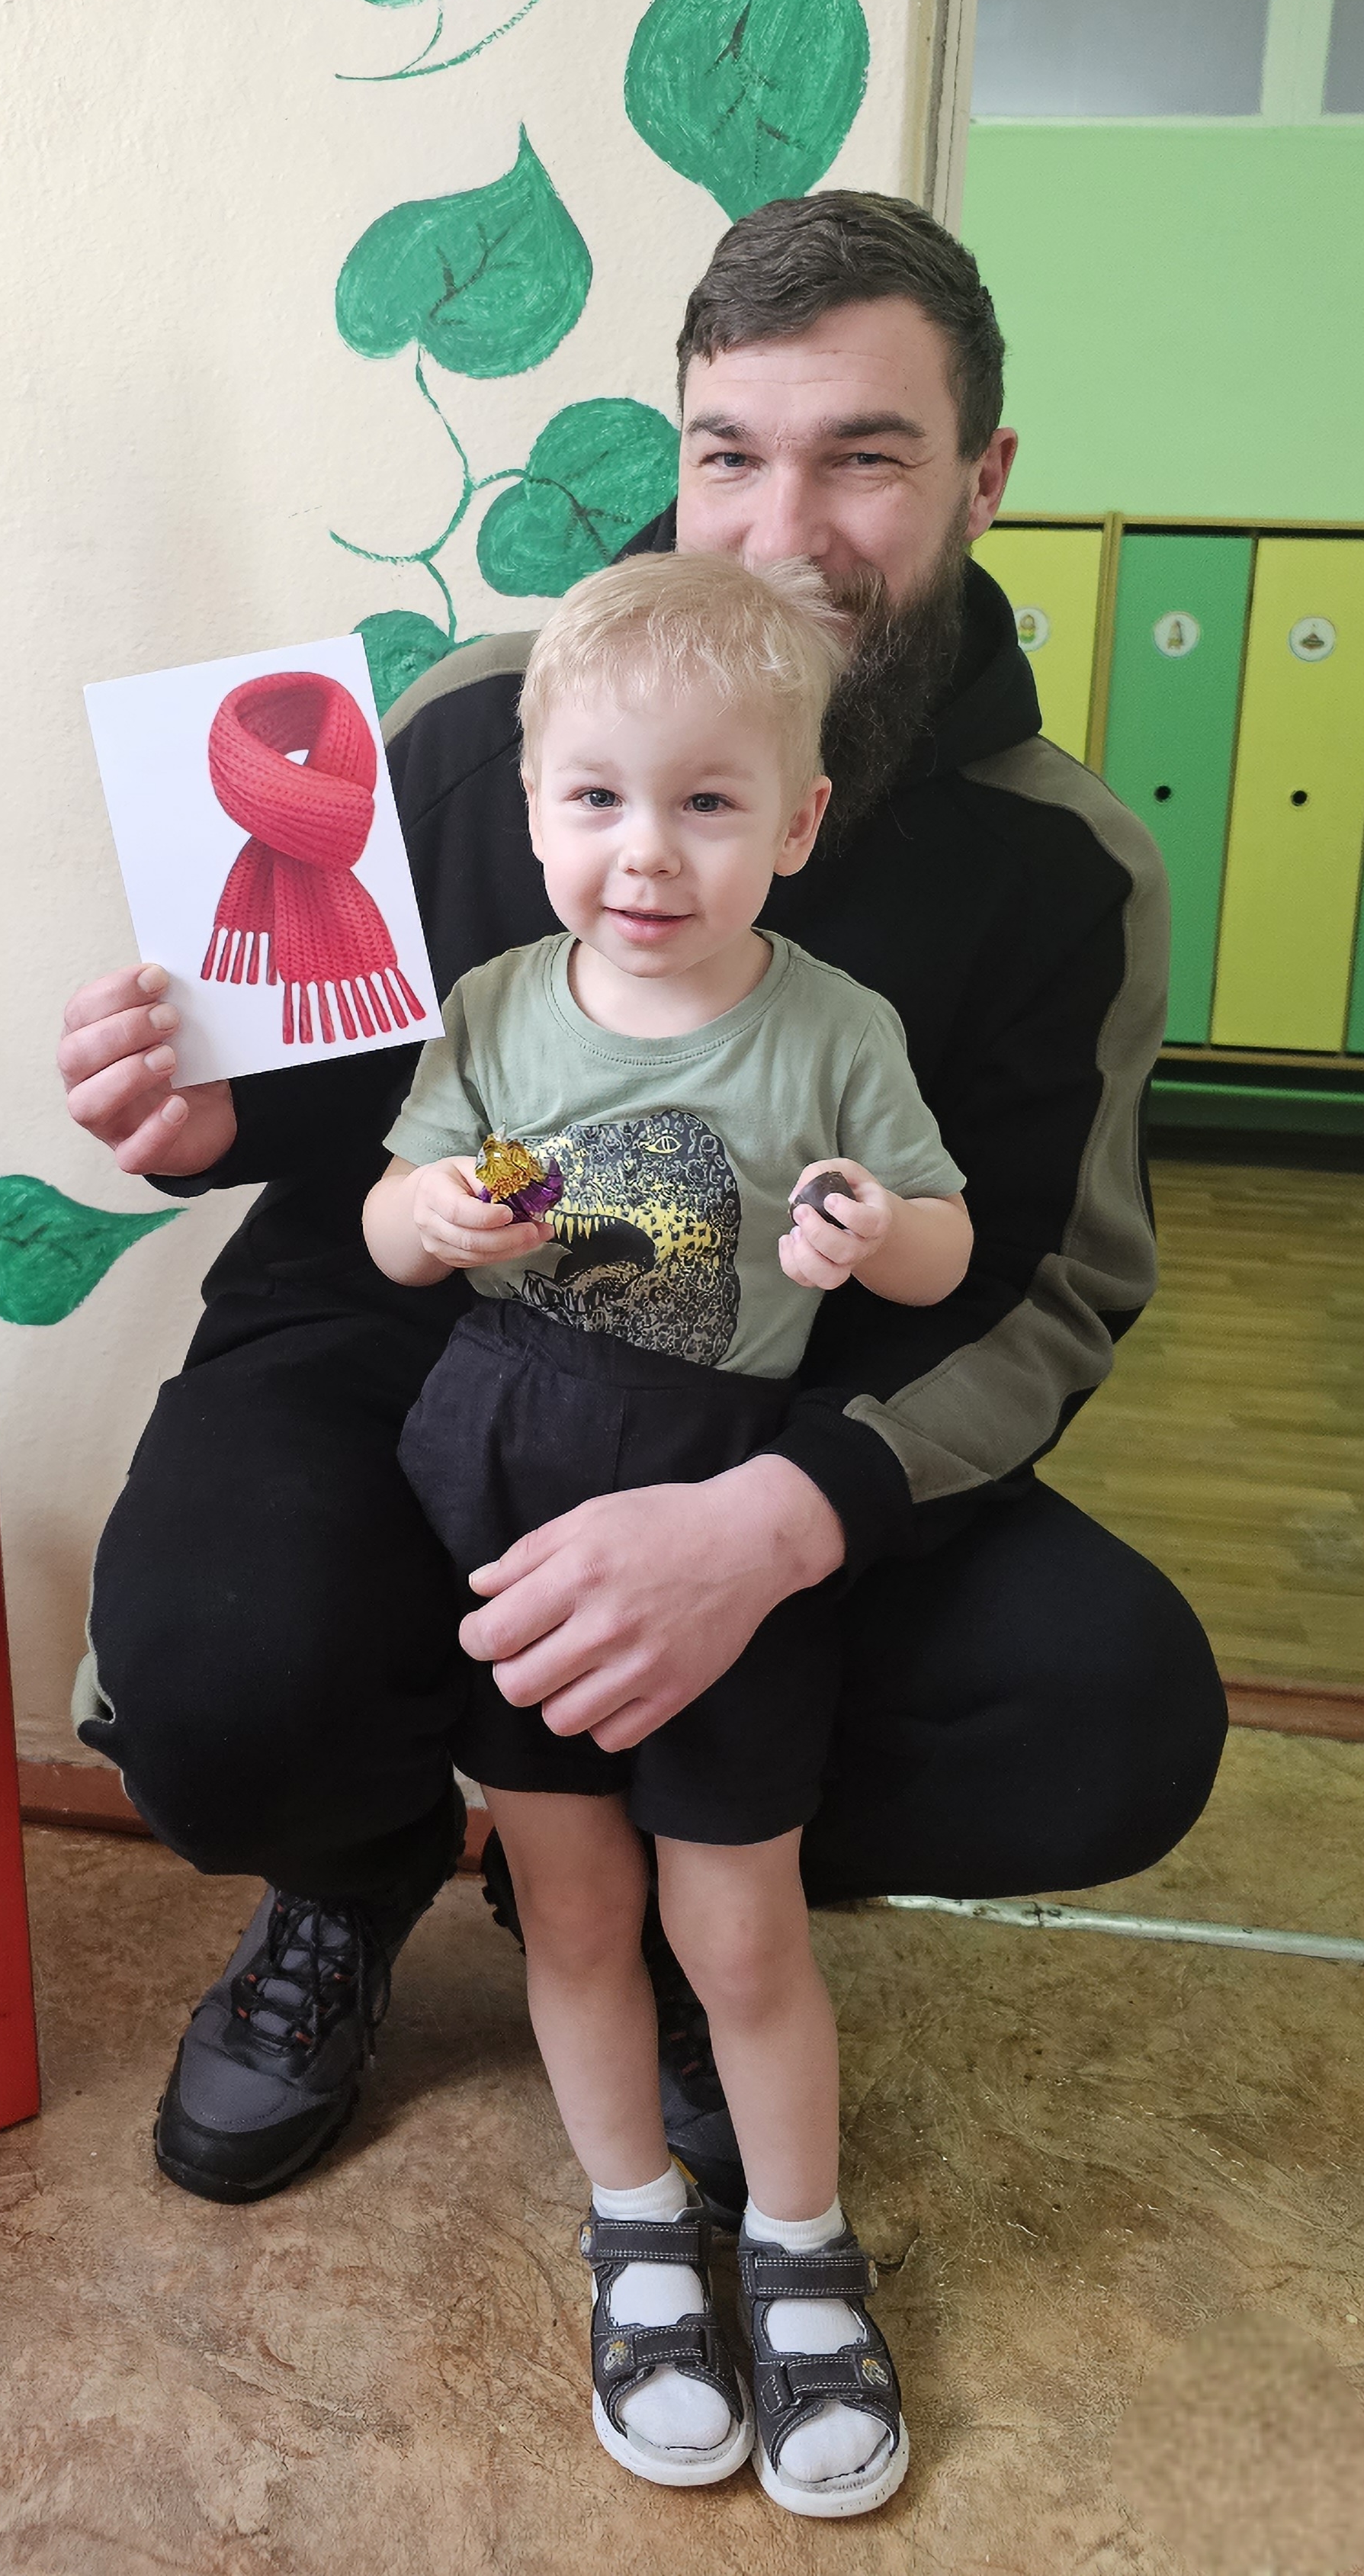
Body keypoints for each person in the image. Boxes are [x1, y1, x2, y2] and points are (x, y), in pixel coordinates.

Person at [58, 190, 1227, 2233]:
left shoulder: (1065, 869)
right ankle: (352, 1870)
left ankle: (659, 1872)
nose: (784, 530)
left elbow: (1042, 1293)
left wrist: (771, 1527)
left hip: (767, 1406)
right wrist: (192, 1114)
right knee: (211, 1667)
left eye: (865, 458)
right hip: (410, 1352)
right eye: (729, 454)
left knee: (1109, 1712)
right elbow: (324, 1097)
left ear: (985, 479)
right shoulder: (476, 721)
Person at [365, 551, 971, 2510]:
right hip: (511, 1479)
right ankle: (634, 2217)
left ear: (795, 821)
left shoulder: (838, 1026)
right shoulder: (490, 1006)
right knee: (572, 1903)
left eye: (708, 800)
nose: (647, 849)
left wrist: (879, 1234)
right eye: (600, 797)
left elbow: (949, 1236)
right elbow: (388, 1218)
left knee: (738, 1919)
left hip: (722, 1495)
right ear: (535, 807)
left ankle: (797, 2239)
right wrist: (434, 1216)